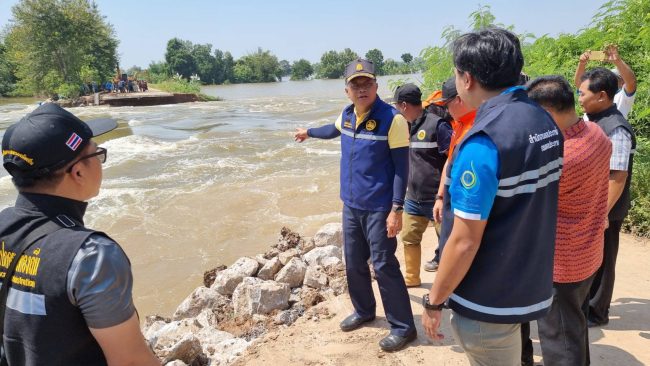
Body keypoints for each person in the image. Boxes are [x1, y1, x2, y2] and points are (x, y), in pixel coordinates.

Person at [420, 28, 563, 366]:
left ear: (467, 79)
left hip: (488, 299)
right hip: (528, 281)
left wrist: (434, 301)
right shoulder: (543, 118)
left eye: (456, 74)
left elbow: (464, 242)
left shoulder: (483, 142)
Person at [0, 103, 160, 366]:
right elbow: (131, 362)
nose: (99, 160)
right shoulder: (92, 256)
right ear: (78, 171)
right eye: (96, 153)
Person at [294, 59, 417, 352]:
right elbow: (332, 130)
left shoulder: (393, 119)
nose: (361, 89)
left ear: (376, 86)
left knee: (384, 264)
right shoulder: (347, 115)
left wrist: (396, 209)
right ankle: (364, 311)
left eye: (367, 84)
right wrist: (308, 132)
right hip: (351, 205)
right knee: (353, 262)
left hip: (379, 207)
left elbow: (402, 168)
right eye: (355, 85)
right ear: (347, 90)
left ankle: (403, 327)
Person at [520, 75, 611, 366]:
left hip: (562, 264)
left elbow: (528, 204)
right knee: (574, 326)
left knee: (560, 341)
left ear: (547, 111)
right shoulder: (596, 133)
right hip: (588, 252)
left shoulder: (563, 156)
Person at [578, 67, 637, 328]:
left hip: (606, 207)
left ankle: (597, 312)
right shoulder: (594, 120)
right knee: (590, 257)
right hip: (592, 203)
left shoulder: (616, 128)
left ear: (602, 96)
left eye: (583, 93)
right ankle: (585, 305)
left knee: (603, 259)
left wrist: (602, 212)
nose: (579, 98)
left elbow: (618, 176)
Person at [393, 83, 452, 287]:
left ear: (404, 105)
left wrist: (442, 196)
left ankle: (448, 287)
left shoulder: (438, 125)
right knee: (409, 238)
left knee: (447, 243)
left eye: (397, 107)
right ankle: (411, 279)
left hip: (436, 199)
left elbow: (452, 161)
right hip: (413, 199)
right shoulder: (404, 127)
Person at [430, 76, 477, 262]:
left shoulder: (477, 127)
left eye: (447, 104)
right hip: (452, 201)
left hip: (468, 206)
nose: (445, 111)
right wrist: (440, 197)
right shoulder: (459, 125)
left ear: (459, 99)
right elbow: (449, 163)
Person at [574, 44, 637, 119]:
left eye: (615, 78)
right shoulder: (597, 92)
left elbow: (631, 82)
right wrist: (582, 64)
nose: (610, 80)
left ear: (623, 81)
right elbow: (580, 84)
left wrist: (618, 61)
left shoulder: (623, 97)